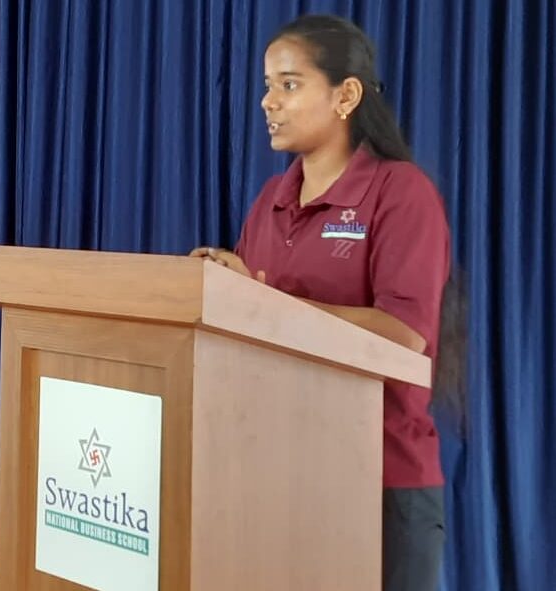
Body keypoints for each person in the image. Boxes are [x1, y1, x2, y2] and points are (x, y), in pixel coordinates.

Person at [190, 15, 449, 591]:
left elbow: (404, 334)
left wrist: (266, 303)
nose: (268, 102)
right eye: (267, 86)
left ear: (346, 96)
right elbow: (252, 322)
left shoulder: (400, 192)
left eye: (289, 84)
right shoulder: (271, 198)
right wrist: (224, 291)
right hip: (279, 471)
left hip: (381, 479)